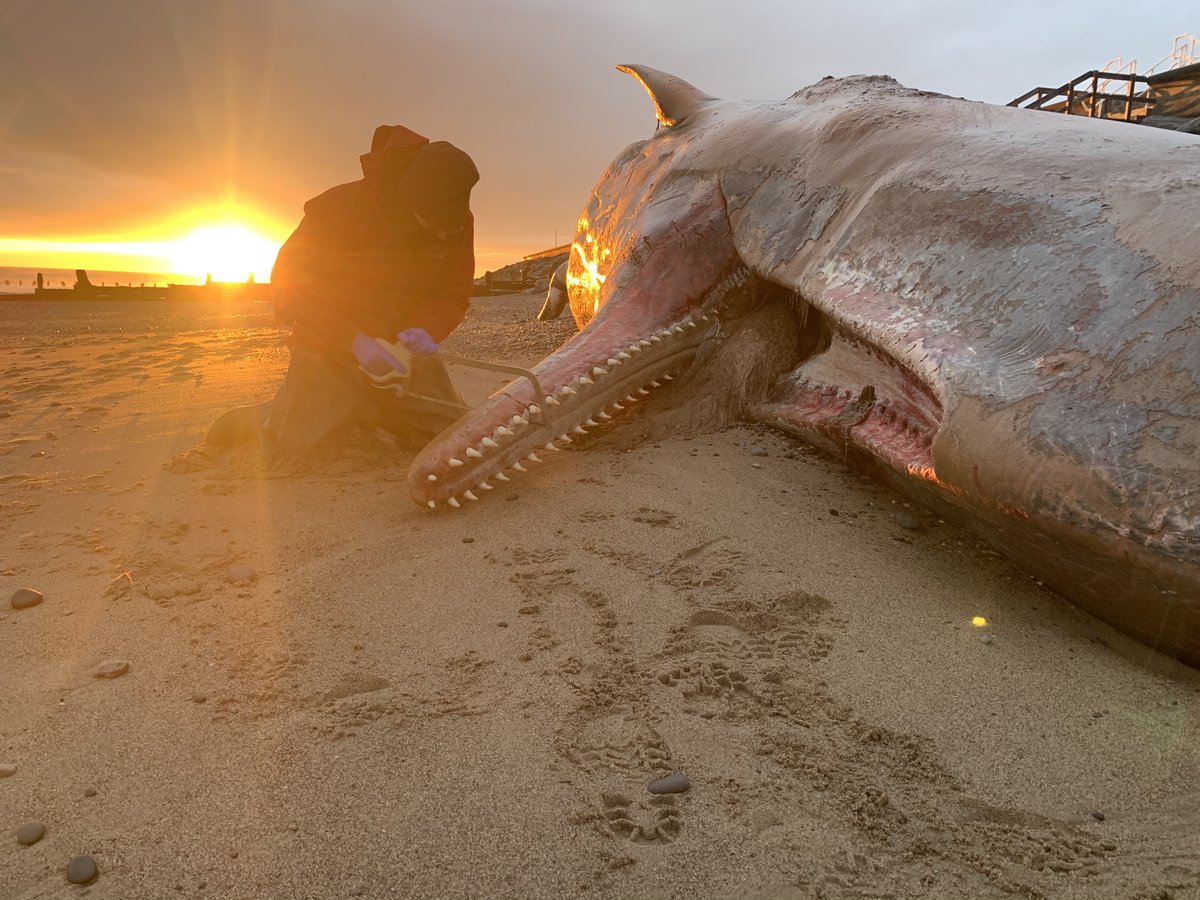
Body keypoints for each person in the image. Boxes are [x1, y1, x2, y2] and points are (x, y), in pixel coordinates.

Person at [205, 124, 480, 459]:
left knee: (453, 433)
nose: (440, 236)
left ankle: (364, 407)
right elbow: (290, 288)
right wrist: (352, 340)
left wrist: (425, 328)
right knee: (302, 451)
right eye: (430, 225)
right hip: (326, 343)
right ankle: (277, 411)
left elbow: (451, 293)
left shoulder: (456, 222)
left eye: (447, 229)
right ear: (407, 201)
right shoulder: (336, 209)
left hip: (398, 350)